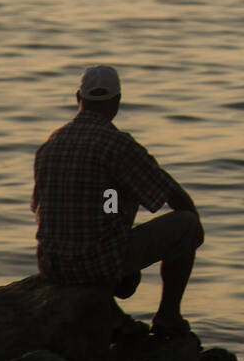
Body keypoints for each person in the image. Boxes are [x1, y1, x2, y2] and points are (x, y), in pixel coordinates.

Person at [31, 65, 204, 339]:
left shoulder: (50, 144)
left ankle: (111, 314)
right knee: (186, 225)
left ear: (79, 98)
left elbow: (39, 209)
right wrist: (196, 231)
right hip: (96, 263)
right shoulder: (117, 144)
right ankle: (167, 316)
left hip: (52, 264)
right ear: (117, 102)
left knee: (92, 213)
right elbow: (172, 195)